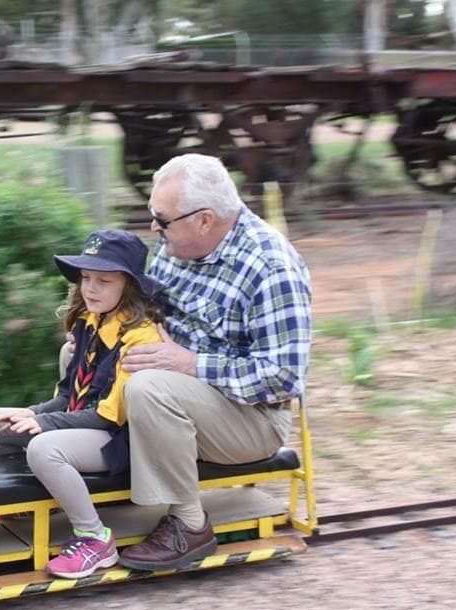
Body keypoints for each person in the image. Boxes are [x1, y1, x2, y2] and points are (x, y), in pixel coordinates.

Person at [115, 153, 312, 571]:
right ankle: (94, 475)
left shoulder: (270, 268)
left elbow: (282, 378)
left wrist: (190, 364)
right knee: (90, 353)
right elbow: (153, 308)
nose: (154, 227)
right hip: (187, 392)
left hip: (252, 419)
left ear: (204, 220)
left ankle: (189, 526)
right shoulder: (176, 244)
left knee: (148, 387)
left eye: (162, 219)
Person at [0, 229, 164, 579]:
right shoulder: (89, 321)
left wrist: (45, 425)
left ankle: (95, 539)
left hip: (124, 442)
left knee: (45, 449)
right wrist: (32, 413)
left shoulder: (140, 338)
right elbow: (68, 396)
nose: (90, 288)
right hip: (87, 426)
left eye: (103, 281)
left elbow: (111, 418)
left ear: (129, 286)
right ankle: (36, 506)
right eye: (86, 278)